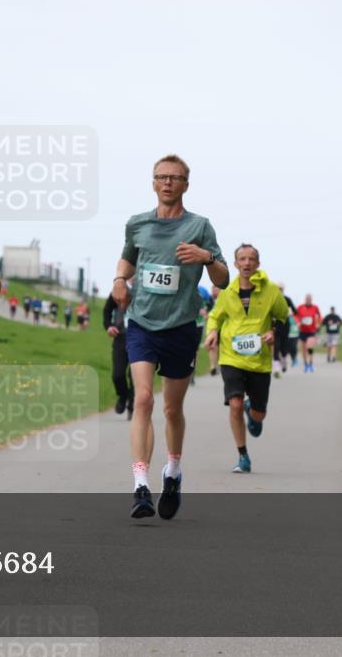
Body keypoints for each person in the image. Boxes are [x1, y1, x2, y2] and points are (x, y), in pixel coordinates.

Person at [112, 153, 229, 519]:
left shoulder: (200, 226)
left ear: (185, 185)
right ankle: (141, 486)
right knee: (143, 399)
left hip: (181, 326)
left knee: (172, 409)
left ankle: (173, 472)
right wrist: (119, 280)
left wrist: (206, 257)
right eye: (161, 177)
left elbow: (222, 280)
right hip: (142, 323)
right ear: (153, 182)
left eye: (175, 178)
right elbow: (128, 259)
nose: (167, 183)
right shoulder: (138, 224)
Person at [204, 244, 289, 473]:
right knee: (235, 403)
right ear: (235, 264)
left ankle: (254, 410)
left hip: (259, 360)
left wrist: (274, 332)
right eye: (242, 259)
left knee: (258, 416)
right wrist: (212, 332)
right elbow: (215, 317)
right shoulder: (227, 293)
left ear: (258, 264)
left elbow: (283, 318)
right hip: (231, 357)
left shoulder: (271, 291)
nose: (247, 263)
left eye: (251, 259)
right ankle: (243, 456)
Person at [103, 285, 134, 419]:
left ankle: (132, 406)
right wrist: (109, 326)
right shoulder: (119, 289)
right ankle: (123, 395)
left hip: (140, 339)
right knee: (117, 375)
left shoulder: (147, 288)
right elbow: (107, 311)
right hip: (120, 337)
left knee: (135, 377)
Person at [271, 282, 298, 377]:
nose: (279, 290)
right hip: (275, 325)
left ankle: (284, 361)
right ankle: (276, 367)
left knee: (284, 346)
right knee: (276, 345)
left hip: (285, 325)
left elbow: (295, 311)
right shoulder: (272, 299)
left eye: (281, 289)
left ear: (283, 290)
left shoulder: (287, 299)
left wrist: (289, 313)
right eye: (278, 288)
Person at [295, 294, 322, 373]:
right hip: (302, 331)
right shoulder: (300, 307)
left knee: (309, 347)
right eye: (307, 299)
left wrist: (318, 324)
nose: (308, 300)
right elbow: (295, 316)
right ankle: (306, 364)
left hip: (311, 331)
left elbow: (320, 316)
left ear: (311, 299)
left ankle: (310, 363)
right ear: (305, 299)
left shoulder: (315, 307)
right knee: (303, 350)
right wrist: (298, 322)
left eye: (309, 299)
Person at [207, 285, 221, 375]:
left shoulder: (225, 299)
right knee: (212, 347)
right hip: (212, 327)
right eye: (213, 290)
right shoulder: (210, 300)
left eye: (216, 289)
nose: (215, 291)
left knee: (221, 346)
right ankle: (212, 366)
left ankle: (221, 364)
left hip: (223, 326)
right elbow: (206, 310)